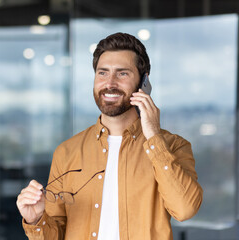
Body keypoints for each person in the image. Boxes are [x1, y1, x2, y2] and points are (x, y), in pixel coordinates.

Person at [16, 32, 203, 240]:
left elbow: (185, 209)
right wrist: (36, 220)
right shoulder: (67, 152)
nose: (110, 83)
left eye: (122, 73)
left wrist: (153, 137)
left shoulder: (173, 146)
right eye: (102, 73)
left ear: (144, 82)